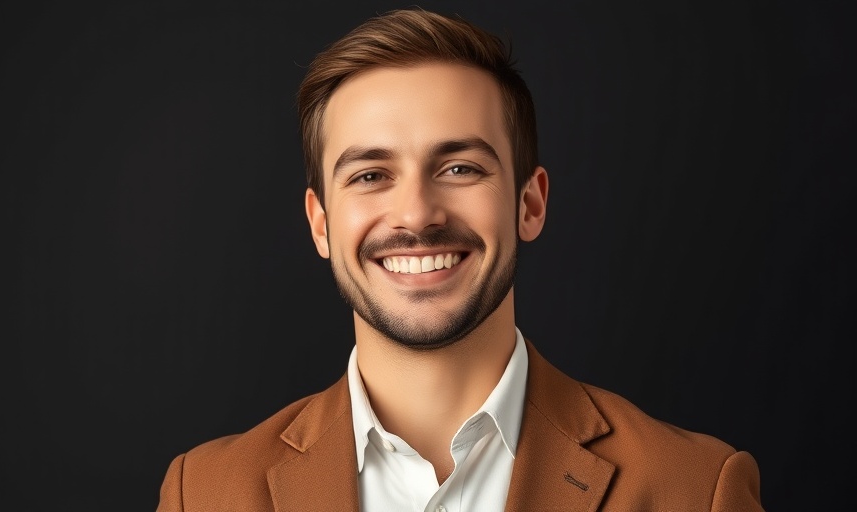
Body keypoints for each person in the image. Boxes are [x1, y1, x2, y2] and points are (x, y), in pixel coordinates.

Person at [156, 8, 763, 511]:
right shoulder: (205, 494)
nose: (417, 214)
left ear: (529, 203)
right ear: (320, 223)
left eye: (459, 168)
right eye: (371, 174)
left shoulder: (697, 488)